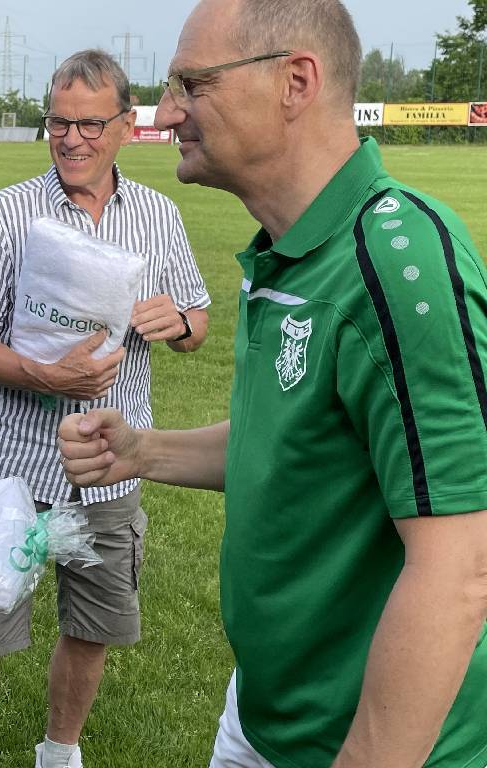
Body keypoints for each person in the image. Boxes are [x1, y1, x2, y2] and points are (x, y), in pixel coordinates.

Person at [58, 1, 487, 766]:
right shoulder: (287, 254)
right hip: (264, 717)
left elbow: (462, 564)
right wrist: (142, 452)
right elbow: (295, 445)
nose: (165, 112)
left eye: (194, 83)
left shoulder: (397, 263)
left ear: (296, 82)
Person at [0, 49, 211, 768]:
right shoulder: (7, 214)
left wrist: (176, 324)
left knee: (93, 627)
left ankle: (59, 752)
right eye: (58, 123)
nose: (72, 139)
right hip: (12, 471)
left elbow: (198, 322)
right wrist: (44, 375)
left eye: (90, 125)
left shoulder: (157, 216)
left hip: (109, 473)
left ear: (127, 125)